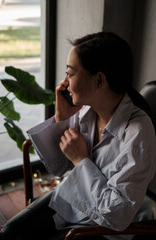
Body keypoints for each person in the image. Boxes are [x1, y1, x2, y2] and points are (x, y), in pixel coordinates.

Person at [27, 32, 156, 240]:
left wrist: (81, 160)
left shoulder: (138, 134)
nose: (65, 82)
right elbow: (59, 167)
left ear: (98, 80)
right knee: (11, 233)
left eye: (71, 73)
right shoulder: (87, 112)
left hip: (102, 229)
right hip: (74, 203)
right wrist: (61, 118)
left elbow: (117, 215)